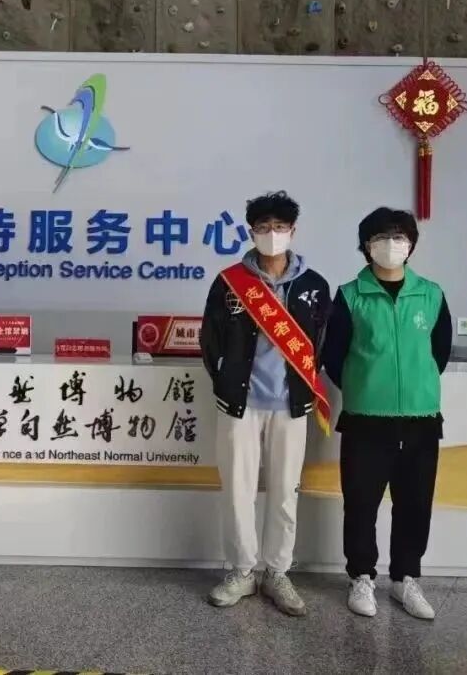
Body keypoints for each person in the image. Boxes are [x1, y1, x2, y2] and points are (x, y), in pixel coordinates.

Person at [200, 191, 331, 617]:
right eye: (263, 227)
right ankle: (242, 571)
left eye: (279, 227)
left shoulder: (313, 286)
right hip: (240, 404)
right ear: (251, 231)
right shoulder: (229, 282)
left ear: (293, 231)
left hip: (290, 406)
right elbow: (210, 340)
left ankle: (277, 572)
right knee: (237, 491)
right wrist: (226, 381)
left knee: (284, 492)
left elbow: (322, 343)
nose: (271, 234)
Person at [322, 207, 451, 620]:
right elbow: (333, 356)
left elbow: (440, 353)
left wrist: (413, 385)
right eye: (381, 237)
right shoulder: (349, 296)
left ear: (411, 244)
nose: (391, 244)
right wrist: (367, 385)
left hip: (420, 419)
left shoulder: (431, 294)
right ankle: (361, 576)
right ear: (366, 245)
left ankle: (405, 578)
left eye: (399, 237)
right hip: (365, 419)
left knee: (415, 503)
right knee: (361, 503)